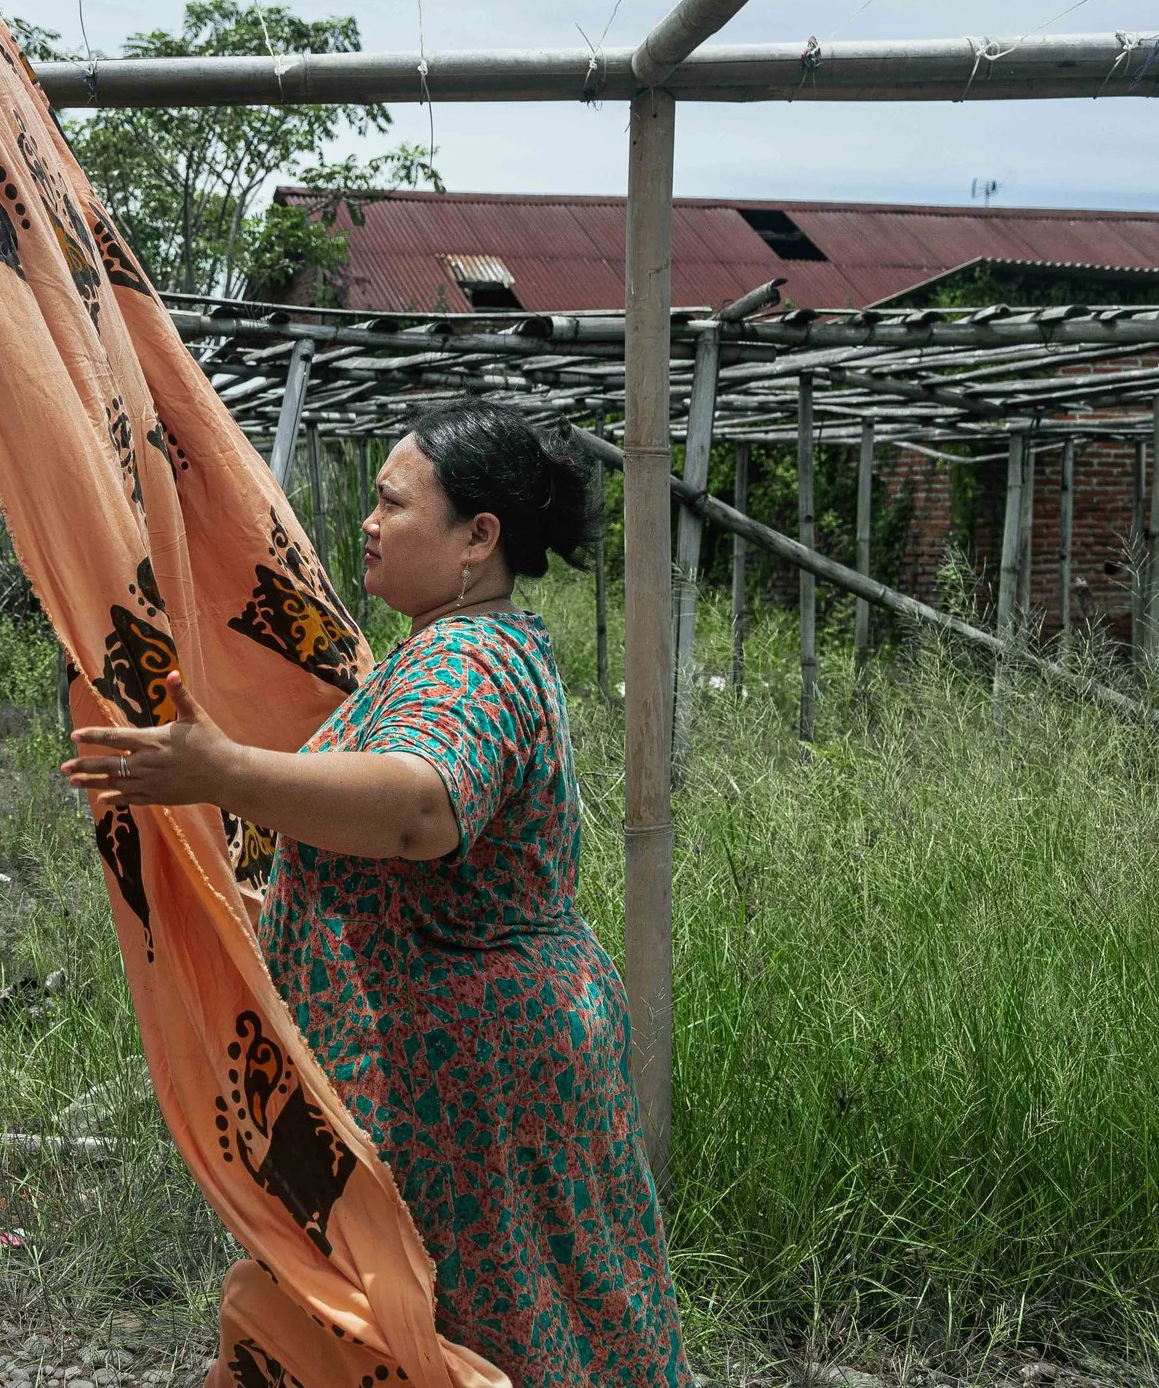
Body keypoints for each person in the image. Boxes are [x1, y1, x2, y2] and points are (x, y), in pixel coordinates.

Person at [62, 397, 689, 1388]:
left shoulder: (468, 658)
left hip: (473, 1079)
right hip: (487, 1057)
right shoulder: (454, 644)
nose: (366, 520)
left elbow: (418, 808)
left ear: (477, 537)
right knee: (533, 1312)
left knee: (478, 1324)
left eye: (394, 503)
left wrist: (222, 771)